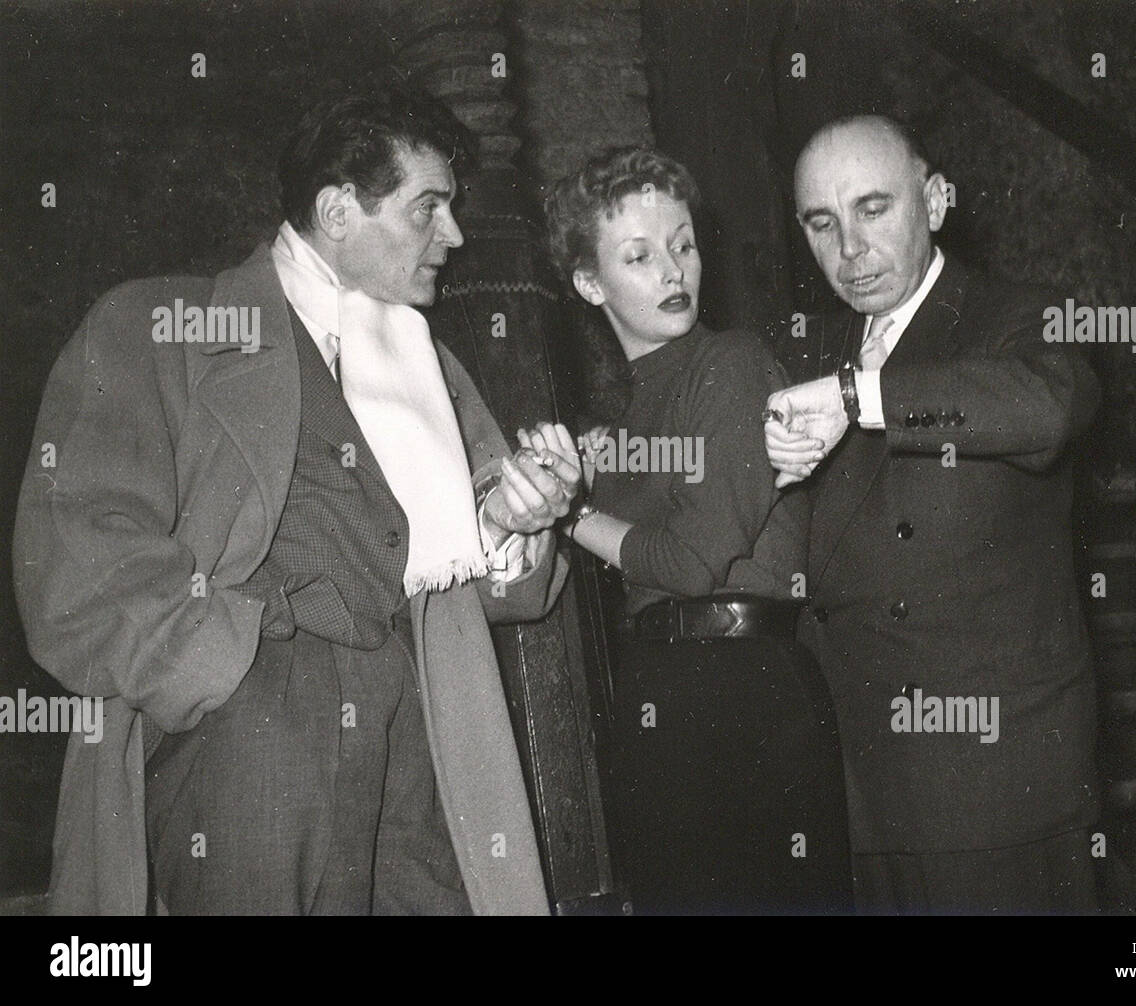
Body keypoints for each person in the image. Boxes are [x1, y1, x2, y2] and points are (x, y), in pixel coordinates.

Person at [13, 81, 580, 915]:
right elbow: (77, 550)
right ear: (340, 210)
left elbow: (494, 590)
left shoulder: (436, 376)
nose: (453, 237)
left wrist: (510, 519)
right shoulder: (159, 324)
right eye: (429, 208)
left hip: (423, 740)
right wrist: (226, 670)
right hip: (250, 740)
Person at [764, 115, 1101, 914]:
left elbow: (1048, 408)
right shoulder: (812, 347)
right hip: (863, 777)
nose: (849, 249)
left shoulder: (1018, 315)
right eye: (822, 222)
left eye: (873, 209)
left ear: (937, 200)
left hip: (992, 774)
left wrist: (859, 398)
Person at [536, 147, 852, 915]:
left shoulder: (731, 364)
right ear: (588, 282)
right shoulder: (625, 412)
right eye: (639, 256)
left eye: (682, 245)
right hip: (661, 692)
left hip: (743, 691)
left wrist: (572, 513)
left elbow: (688, 562)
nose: (674, 271)